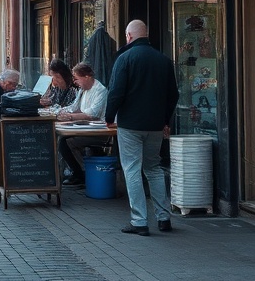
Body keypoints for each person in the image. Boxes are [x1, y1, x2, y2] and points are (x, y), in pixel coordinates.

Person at [104, 19, 179, 236]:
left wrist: (110, 117)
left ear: (128, 36)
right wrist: (165, 120)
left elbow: (115, 92)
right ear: (146, 35)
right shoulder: (164, 60)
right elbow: (173, 94)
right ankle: (164, 217)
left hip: (130, 125)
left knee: (132, 169)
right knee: (154, 168)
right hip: (155, 125)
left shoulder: (125, 58)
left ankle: (139, 221)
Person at [55, 62, 109, 187]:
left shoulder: (100, 90)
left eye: (77, 78)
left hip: (99, 131)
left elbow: (92, 114)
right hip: (85, 128)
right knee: (62, 140)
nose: (75, 82)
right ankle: (77, 172)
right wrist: (59, 111)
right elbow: (74, 107)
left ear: (87, 77)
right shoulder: (82, 90)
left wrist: (70, 116)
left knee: (66, 143)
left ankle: (82, 174)